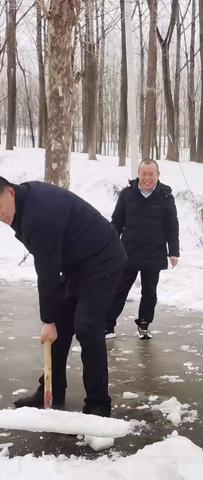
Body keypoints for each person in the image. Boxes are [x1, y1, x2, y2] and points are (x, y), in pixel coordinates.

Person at [0, 176, 126, 417]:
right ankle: (51, 390)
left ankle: (99, 404)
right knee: (59, 322)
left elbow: (46, 271)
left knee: (88, 328)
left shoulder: (38, 215)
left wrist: (48, 320)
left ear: (10, 192)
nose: (0, 215)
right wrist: (52, 318)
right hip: (77, 264)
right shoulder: (25, 201)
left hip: (103, 261)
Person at [105, 159, 179, 340]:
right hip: (128, 252)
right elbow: (116, 222)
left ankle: (144, 324)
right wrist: (108, 246)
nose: (147, 178)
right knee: (119, 289)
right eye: (143, 173)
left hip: (154, 253)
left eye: (151, 174)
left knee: (149, 292)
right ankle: (107, 325)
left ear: (158, 175)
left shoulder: (165, 196)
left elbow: (172, 226)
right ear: (138, 174)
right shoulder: (127, 194)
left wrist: (174, 251)